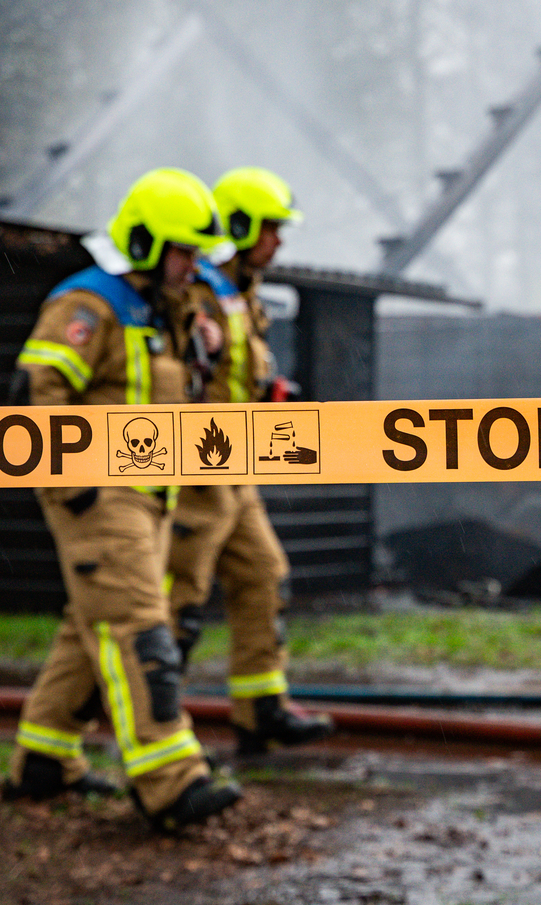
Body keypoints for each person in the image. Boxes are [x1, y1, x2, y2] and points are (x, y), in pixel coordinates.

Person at [3, 167, 244, 832]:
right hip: (100, 496)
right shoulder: (89, 306)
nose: (192, 264)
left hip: (151, 494)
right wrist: (75, 486)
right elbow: (34, 395)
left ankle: (45, 760)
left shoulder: (170, 310)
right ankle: (170, 782)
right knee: (140, 627)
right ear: (145, 241)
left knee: (95, 625)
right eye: (183, 250)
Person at [166, 167, 336, 755]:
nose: (280, 241)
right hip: (197, 468)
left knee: (262, 573)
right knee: (176, 596)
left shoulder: (237, 292)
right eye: (272, 228)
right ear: (241, 226)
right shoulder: (199, 287)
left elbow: (238, 371)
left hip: (237, 466)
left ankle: (260, 709)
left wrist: (270, 392)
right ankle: (156, 732)